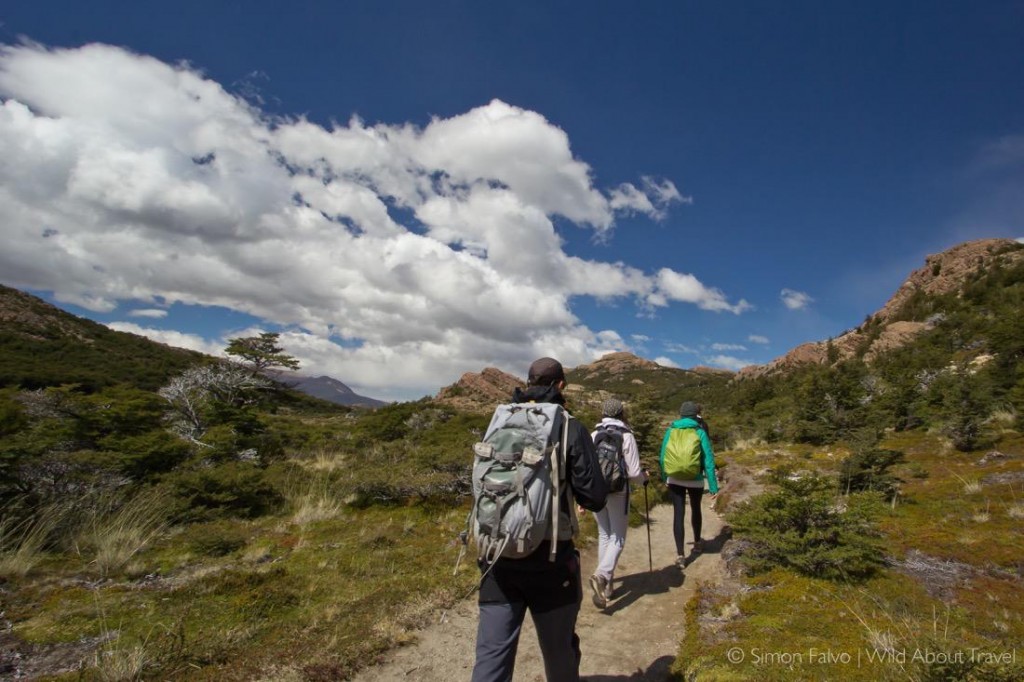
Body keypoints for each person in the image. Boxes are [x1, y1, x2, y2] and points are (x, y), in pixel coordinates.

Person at [471, 357, 608, 682]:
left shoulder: (501, 420)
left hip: (496, 556)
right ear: (560, 385)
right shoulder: (569, 425)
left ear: (528, 382)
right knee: (559, 652)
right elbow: (595, 497)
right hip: (551, 559)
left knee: (491, 656)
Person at [588, 398, 648, 609]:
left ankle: (606, 589)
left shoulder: (594, 434)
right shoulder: (626, 436)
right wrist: (644, 479)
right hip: (618, 492)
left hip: (597, 491)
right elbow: (633, 472)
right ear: (622, 413)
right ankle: (602, 575)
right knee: (618, 538)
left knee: (604, 535)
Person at [659, 400, 719, 568]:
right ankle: (698, 542)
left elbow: (663, 455)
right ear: (695, 415)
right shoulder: (699, 431)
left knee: (678, 514)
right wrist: (713, 486)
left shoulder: (671, 430)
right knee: (696, 509)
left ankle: (680, 556)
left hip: (674, 478)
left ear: (681, 414)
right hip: (695, 479)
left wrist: (665, 476)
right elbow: (708, 460)